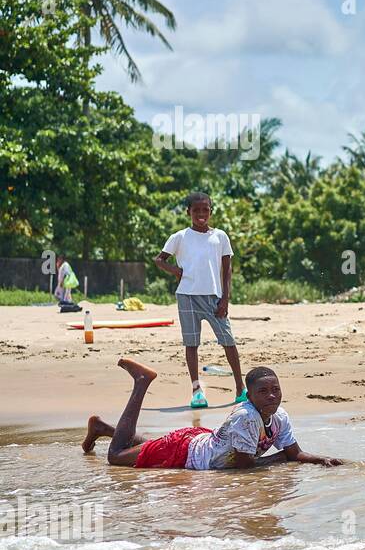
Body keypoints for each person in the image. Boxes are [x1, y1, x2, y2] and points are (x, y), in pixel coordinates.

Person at [83, 359, 342, 469]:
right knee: (116, 457)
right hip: (187, 454)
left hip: (199, 441)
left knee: (144, 447)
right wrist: (280, 460)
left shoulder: (280, 417)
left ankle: (103, 429)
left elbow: (294, 453)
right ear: (249, 397)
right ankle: (141, 382)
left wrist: (322, 459)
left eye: (276, 389)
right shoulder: (246, 417)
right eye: (263, 391)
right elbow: (244, 466)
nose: (272, 395)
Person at [153, 191, 246, 407]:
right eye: (196, 210)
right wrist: (176, 271)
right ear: (189, 212)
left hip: (214, 297)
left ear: (211, 211)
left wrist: (225, 299)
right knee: (192, 344)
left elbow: (227, 269)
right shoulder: (180, 237)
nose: (201, 214)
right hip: (187, 296)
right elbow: (159, 259)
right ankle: (196, 391)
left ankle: (240, 388)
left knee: (228, 341)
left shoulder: (220, 236)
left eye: (205, 210)